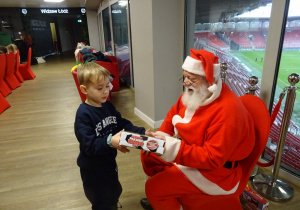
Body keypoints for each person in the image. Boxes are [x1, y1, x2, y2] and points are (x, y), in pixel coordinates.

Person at [140, 49, 255, 210]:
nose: (185, 83)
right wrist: (158, 136)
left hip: (216, 172)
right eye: (185, 77)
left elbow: (212, 159)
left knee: (153, 188)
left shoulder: (228, 111)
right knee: (148, 154)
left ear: (209, 81)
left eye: (191, 79)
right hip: (194, 156)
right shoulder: (196, 92)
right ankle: (168, 198)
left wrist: (168, 147)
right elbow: (173, 115)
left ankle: (164, 197)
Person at [74, 62, 153, 210]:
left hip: (108, 161)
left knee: (113, 190)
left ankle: (113, 203)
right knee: (101, 200)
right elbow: (88, 145)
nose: (105, 91)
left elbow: (121, 123)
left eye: (106, 86)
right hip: (93, 169)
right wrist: (110, 141)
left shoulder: (107, 106)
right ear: (84, 89)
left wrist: (141, 132)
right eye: (99, 88)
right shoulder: (83, 115)